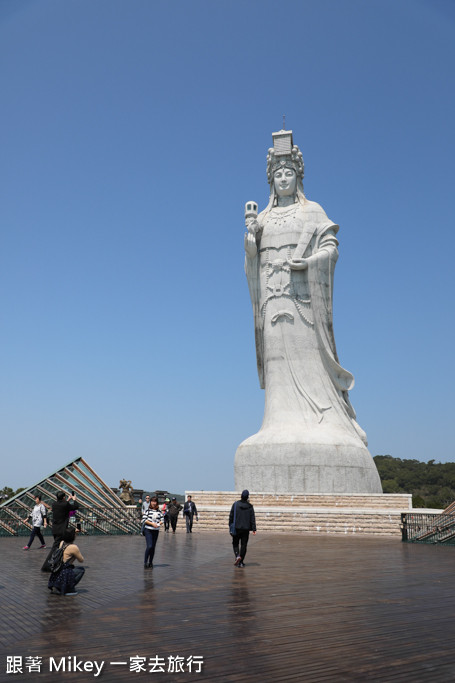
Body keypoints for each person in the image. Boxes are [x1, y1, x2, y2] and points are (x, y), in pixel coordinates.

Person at [236, 129, 382, 493]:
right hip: (273, 302)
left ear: (298, 175)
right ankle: (278, 424)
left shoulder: (313, 210)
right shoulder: (264, 217)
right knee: (279, 366)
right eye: (278, 173)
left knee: (309, 362)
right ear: (271, 179)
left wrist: (309, 262)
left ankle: (328, 422)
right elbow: (251, 263)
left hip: (303, 303)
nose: (283, 178)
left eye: (289, 172)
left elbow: (331, 248)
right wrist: (251, 237)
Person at [48, 527, 85, 596]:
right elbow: (81, 560)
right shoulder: (74, 547)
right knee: (81, 570)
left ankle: (58, 586)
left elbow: (68, 537)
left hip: (58, 569)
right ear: (73, 536)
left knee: (72, 569)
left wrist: (74, 532)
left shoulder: (62, 543)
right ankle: (69, 588)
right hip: (65, 571)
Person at [229, 490, 256, 568]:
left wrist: (230, 526)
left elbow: (231, 516)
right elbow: (252, 518)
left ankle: (237, 556)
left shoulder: (235, 504)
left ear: (241, 495)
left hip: (237, 528)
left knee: (235, 543)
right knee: (244, 545)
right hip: (246, 529)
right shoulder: (250, 506)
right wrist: (254, 529)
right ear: (247, 497)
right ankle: (241, 562)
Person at [142, 496, 163, 568]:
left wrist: (158, 524)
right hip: (148, 530)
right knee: (149, 546)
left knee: (153, 547)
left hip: (156, 531)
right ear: (150, 502)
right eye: (152, 501)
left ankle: (150, 562)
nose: (154, 503)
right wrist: (152, 524)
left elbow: (162, 520)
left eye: (155, 501)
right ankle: (145, 562)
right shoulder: (147, 511)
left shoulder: (159, 512)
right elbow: (144, 520)